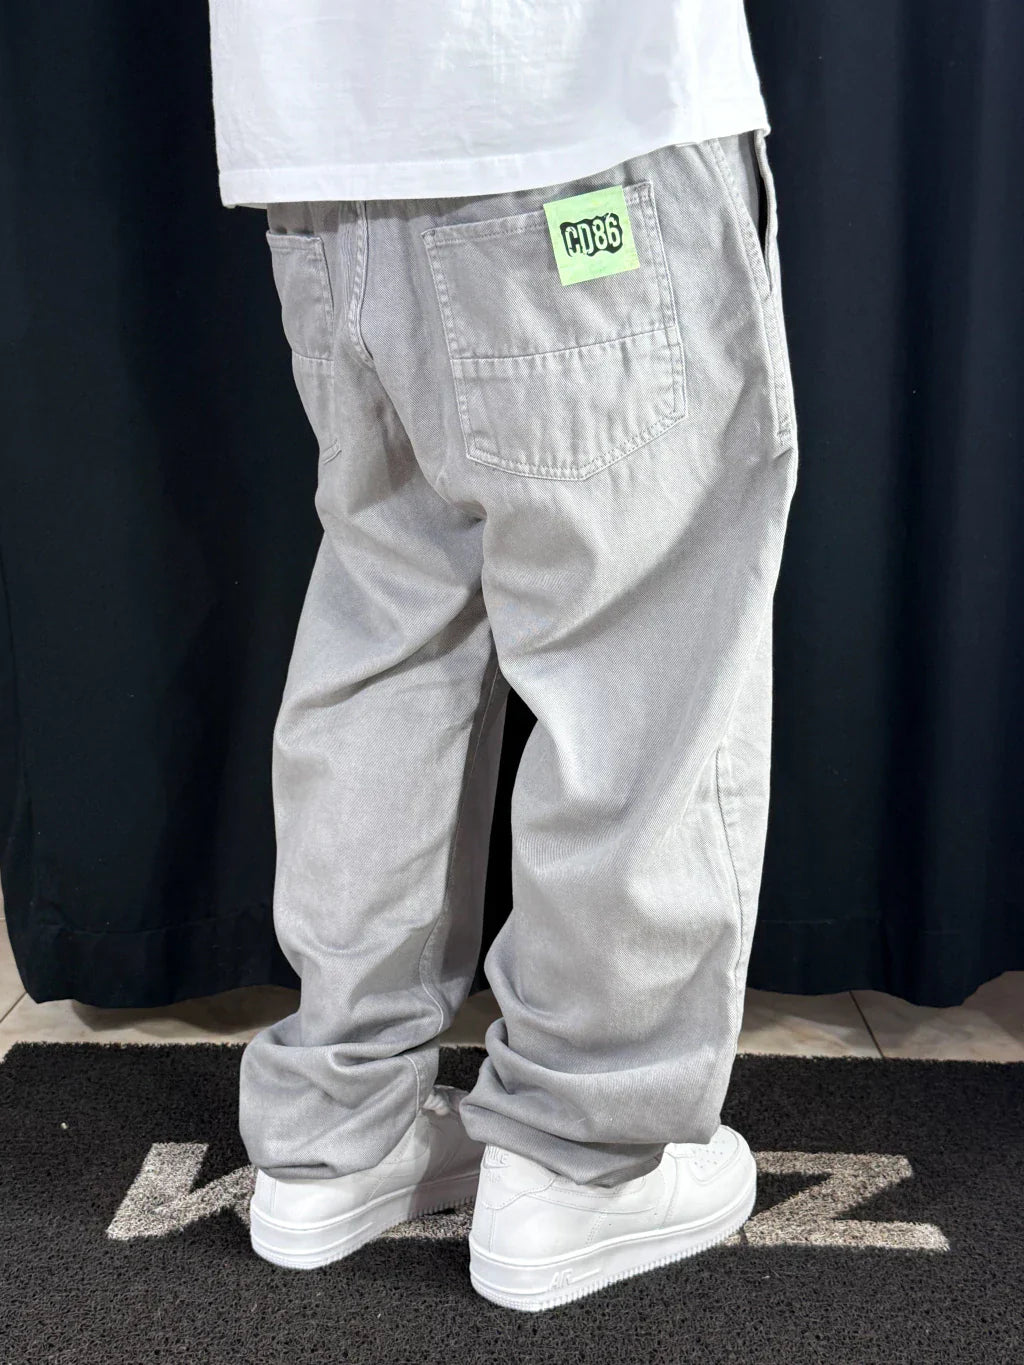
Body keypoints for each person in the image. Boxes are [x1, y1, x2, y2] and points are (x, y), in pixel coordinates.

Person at [208, 0, 798, 1313]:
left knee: (390, 629)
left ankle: (333, 1135)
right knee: (638, 657)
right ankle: (585, 1154)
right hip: (573, 122)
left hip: (322, 165)